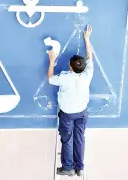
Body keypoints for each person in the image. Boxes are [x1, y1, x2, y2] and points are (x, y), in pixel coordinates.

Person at [47, 25, 93, 177]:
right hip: (82, 112)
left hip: (67, 114)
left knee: (67, 139)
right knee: (79, 138)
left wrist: (51, 61)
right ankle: (79, 167)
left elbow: (50, 79)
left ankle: (68, 167)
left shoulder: (65, 77)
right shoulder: (87, 75)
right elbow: (90, 56)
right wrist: (87, 39)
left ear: (70, 67)